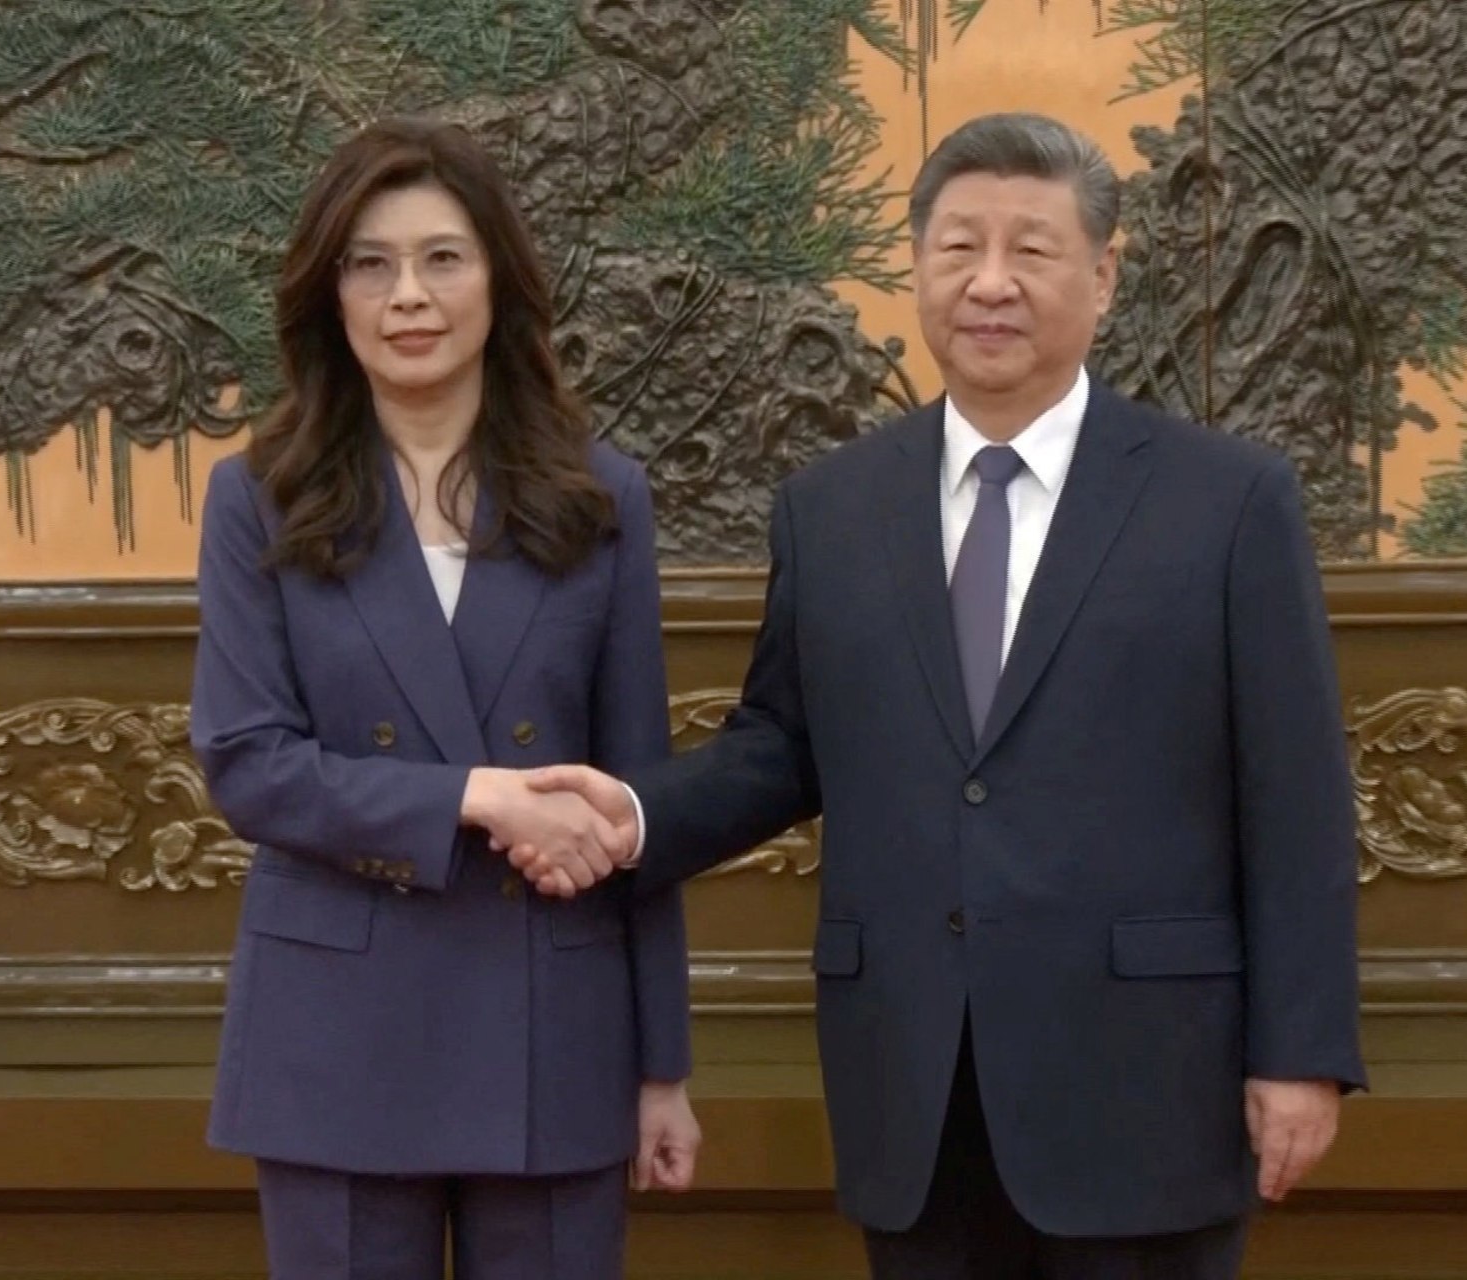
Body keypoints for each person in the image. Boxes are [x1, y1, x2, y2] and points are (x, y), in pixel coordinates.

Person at [510, 112, 1365, 1280]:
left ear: (1105, 276)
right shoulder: (833, 507)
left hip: (1148, 1086)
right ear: (915, 270)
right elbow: (781, 745)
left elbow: (1298, 794)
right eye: (958, 247)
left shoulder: (1227, 502)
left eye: (1032, 248)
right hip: (914, 1084)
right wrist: (635, 818)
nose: (991, 282)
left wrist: (1301, 1051)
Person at [190, 117, 700, 1280]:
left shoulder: (599, 495)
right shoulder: (258, 496)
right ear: (330, 295)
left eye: (442, 258)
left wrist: (662, 1063)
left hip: (557, 1031)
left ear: (499, 283)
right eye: (370, 263)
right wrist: (479, 795)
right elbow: (250, 759)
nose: (407, 295)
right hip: (337, 1033)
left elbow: (639, 802)